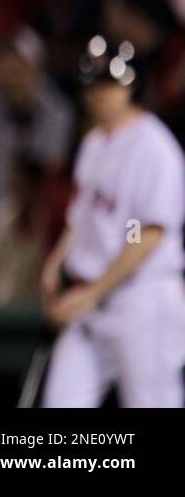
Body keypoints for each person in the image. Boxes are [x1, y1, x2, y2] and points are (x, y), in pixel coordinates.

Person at [40, 36, 185, 408]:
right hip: (92, 302)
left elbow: (151, 235)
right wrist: (55, 263)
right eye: (95, 84)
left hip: (142, 300)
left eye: (110, 83)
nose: (101, 93)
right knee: (62, 403)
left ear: (131, 84)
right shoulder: (93, 143)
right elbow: (81, 217)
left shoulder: (156, 147)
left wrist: (92, 291)